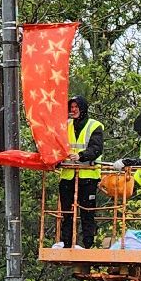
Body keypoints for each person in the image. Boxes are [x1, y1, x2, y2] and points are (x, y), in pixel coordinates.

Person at [56, 96, 105, 248]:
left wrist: (82, 155)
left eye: (76, 107)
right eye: (71, 107)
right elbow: (57, 145)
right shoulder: (65, 125)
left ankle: (87, 245)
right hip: (68, 176)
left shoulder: (95, 126)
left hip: (88, 176)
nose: (73, 110)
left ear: (83, 108)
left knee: (87, 212)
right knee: (67, 212)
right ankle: (67, 243)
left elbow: (96, 149)